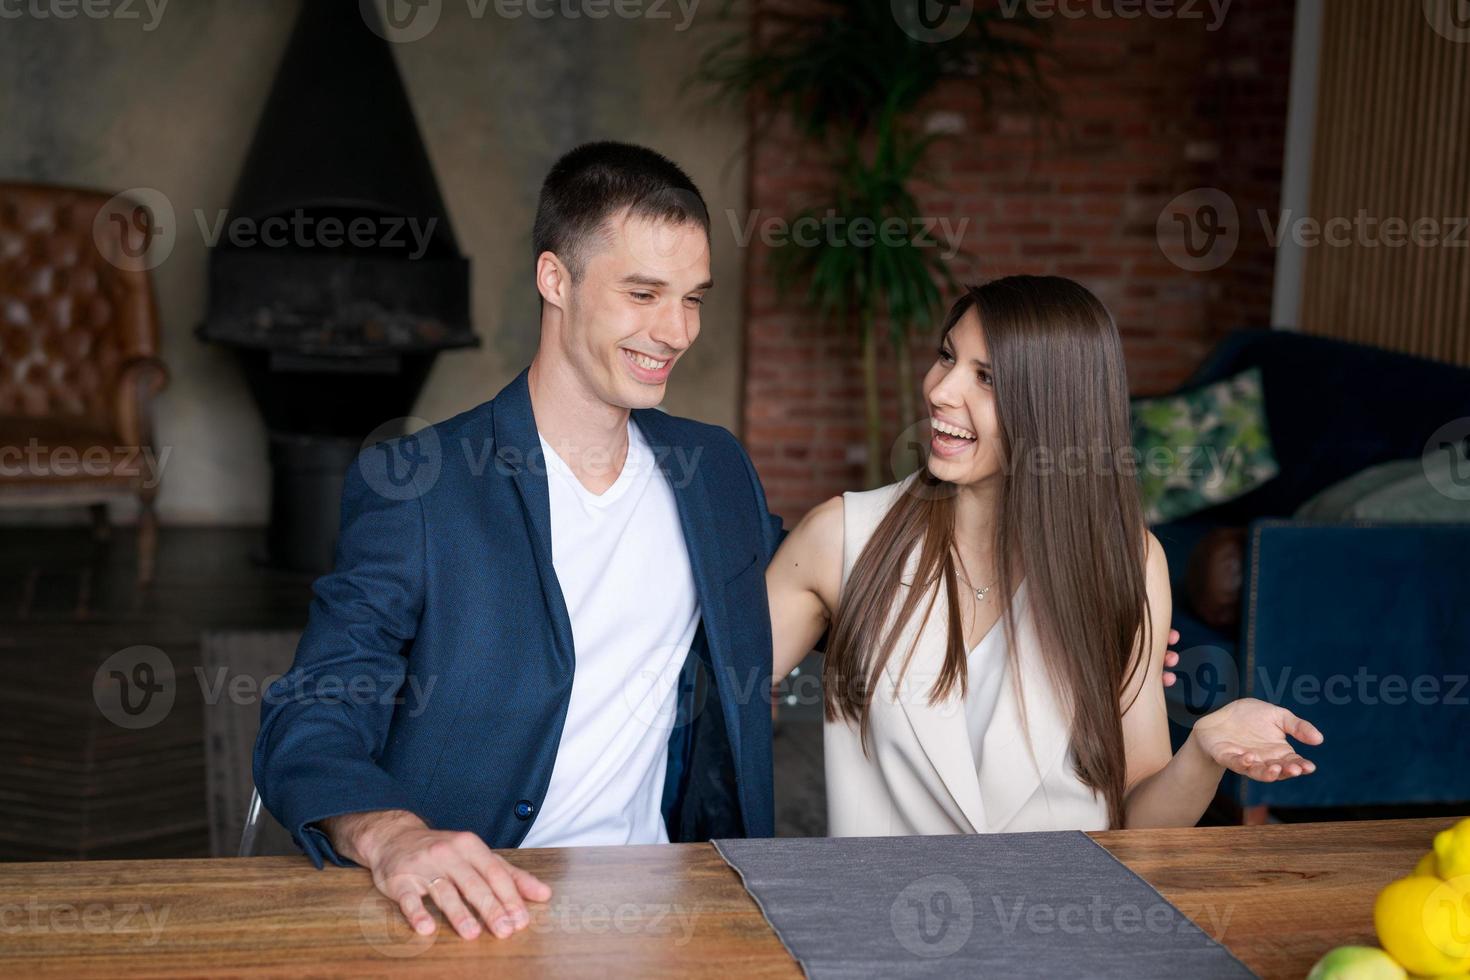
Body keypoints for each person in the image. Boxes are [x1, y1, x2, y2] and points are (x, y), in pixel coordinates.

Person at [254, 142, 783, 942]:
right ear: (555, 280)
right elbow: (314, 709)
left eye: (693, 298)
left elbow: (817, 574)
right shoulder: (420, 485)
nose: (676, 331)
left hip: (662, 907)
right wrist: (394, 835)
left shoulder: (714, 470)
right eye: (643, 293)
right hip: (469, 913)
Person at [766, 276, 1323, 836]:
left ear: (1054, 406)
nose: (940, 390)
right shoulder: (842, 537)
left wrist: (1203, 752)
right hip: (887, 916)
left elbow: (1142, 831)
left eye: (986, 377)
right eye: (946, 356)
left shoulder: (1126, 562)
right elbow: (697, 695)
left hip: (1064, 915)